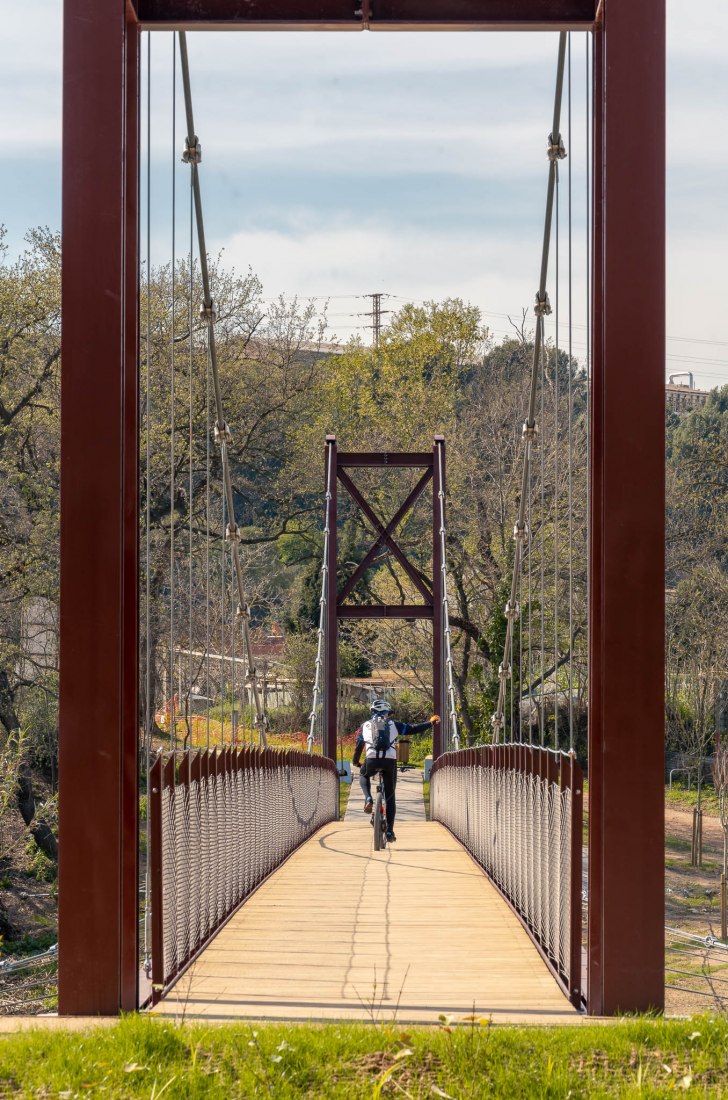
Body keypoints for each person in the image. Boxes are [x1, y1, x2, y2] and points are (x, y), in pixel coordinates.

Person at [351, 699, 439, 842]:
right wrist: (430, 723)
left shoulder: (364, 726)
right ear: (386, 713)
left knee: (364, 775)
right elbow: (413, 728)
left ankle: (368, 798)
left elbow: (359, 746)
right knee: (390, 797)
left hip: (371, 759)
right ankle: (390, 832)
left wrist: (356, 762)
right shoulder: (394, 725)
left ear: (373, 712)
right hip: (389, 761)